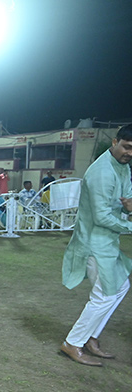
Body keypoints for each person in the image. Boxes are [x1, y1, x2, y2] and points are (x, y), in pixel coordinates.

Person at [60, 124, 132, 366]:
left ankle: (91, 337)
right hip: (94, 243)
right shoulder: (102, 172)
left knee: (120, 287)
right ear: (115, 141)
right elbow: (102, 217)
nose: (130, 153)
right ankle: (72, 343)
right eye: (127, 147)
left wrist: (128, 207)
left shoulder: (123, 167)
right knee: (104, 295)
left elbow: (127, 200)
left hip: (108, 241)